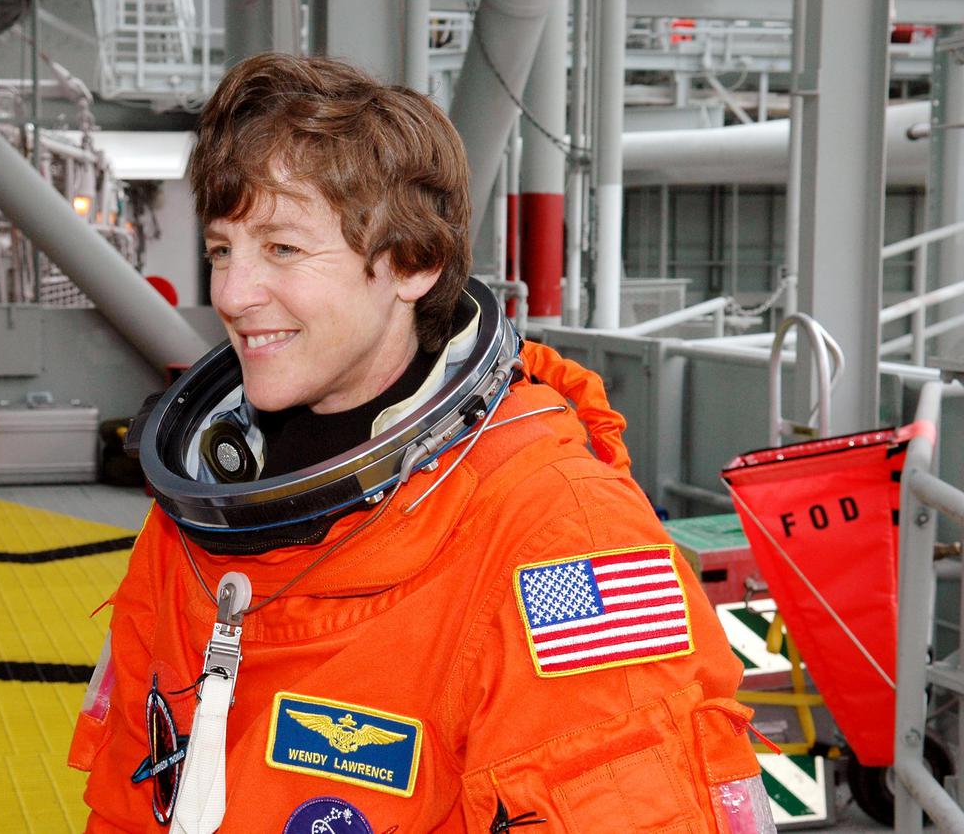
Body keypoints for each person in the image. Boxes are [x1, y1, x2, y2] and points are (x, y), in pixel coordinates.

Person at [69, 53, 774, 834]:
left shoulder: (564, 537)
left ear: (413, 262)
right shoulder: (201, 515)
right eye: (222, 249)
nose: (233, 295)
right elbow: (130, 797)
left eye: (283, 249)